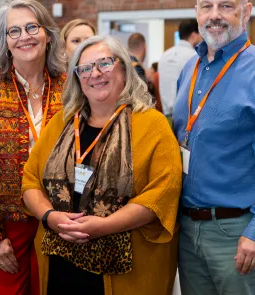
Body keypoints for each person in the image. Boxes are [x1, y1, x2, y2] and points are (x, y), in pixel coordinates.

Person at [22, 35, 182, 295]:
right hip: (60, 260)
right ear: (77, 78)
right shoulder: (61, 123)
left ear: (123, 67)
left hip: (127, 269)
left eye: (104, 64)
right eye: (85, 69)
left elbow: (163, 191)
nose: (94, 74)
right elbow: (30, 179)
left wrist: (104, 226)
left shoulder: (152, 124)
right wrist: (49, 217)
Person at [0, 0, 66, 294]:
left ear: (47, 34)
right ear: (5, 41)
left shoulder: (69, 86)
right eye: (14, 31)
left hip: (60, 222)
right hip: (7, 225)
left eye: (32, 27)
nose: (25, 36)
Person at [173, 0, 255, 293]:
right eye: (206, 6)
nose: (215, 15)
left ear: (246, 11)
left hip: (236, 234)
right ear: (196, 13)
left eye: (226, 6)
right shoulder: (189, 69)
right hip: (188, 229)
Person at [158, 19, 201, 119]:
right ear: (194, 35)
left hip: (166, 117)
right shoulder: (194, 57)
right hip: (186, 118)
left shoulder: (164, 55)